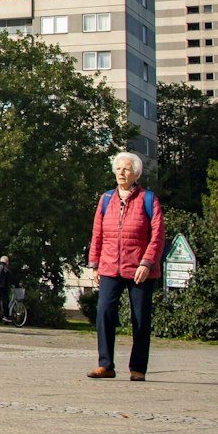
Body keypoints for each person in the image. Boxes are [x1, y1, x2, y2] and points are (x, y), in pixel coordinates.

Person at [87, 150, 165, 381]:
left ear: (136, 173)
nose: (121, 172)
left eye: (126, 168)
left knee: (140, 318)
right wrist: (94, 264)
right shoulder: (106, 199)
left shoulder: (148, 200)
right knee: (104, 313)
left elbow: (158, 236)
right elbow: (97, 233)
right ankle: (105, 365)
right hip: (110, 266)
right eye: (118, 168)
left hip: (139, 268)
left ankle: (138, 368)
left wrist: (147, 263)